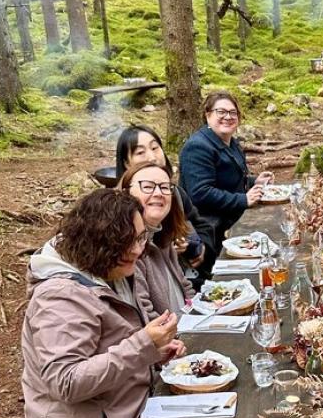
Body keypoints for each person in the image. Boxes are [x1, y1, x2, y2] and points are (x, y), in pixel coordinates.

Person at [16, 189, 185, 418]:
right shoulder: (60, 297)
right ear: (100, 243)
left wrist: (155, 353)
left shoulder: (114, 270)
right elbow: (66, 382)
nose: (139, 249)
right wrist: (142, 347)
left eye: (141, 238)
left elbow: (113, 352)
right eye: (131, 242)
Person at [178, 91, 273, 255]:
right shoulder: (198, 147)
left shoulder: (229, 141)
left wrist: (253, 181)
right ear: (208, 115)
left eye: (232, 112)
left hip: (231, 220)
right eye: (221, 112)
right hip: (209, 229)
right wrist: (243, 199)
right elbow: (200, 193)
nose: (228, 117)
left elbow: (228, 179)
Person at [115, 124, 213, 280]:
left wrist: (199, 247)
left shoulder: (175, 193)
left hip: (186, 280)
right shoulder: (118, 208)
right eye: (140, 152)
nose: (152, 157)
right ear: (126, 163)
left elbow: (202, 225)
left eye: (155, 148)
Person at [120, 161, 196, 319]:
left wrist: (199, 312)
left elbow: (185, 288)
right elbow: (145, 315)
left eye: (164, 187)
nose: (158, 193)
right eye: (147, 186)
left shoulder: (163, 237)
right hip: (169, 339)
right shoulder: (130, 249)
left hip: (188, 328)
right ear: (126, 193)